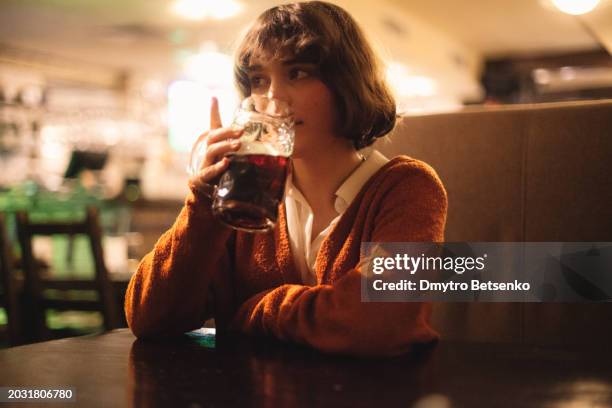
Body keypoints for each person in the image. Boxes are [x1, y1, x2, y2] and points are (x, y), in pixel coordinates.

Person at [125, 1, 447, 356]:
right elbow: (149, 318)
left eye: (297, 73)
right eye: (258, 81)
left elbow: (379, 321)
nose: (272, 99)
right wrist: (203, 203)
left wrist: (258, 310)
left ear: (346, 83)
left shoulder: (407, 188)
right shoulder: (247, 196)